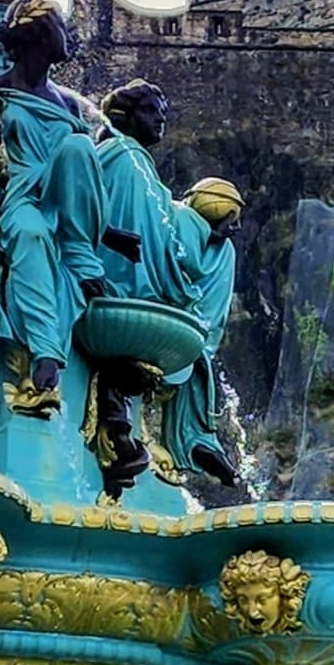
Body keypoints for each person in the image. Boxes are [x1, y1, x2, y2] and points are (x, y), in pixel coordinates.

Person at [0, 0, 104, 416]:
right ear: (36, 40)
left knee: (78, 145)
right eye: (59, 30)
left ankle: (78, 251)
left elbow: (89, 171)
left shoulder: (68, 105)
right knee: (29, 232)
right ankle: (45, 353)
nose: (67, 39)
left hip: (64, 196)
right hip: (16, 193)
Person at [92, 81, 241, 488]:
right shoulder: (125, 157)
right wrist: (204, 233)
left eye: (164, 113)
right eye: (153, 111)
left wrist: (208, 235)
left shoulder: (136, 163)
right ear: (125, 115)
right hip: (125, 278)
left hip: (138, 270)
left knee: (221, 252)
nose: (161, 120)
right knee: (208, 269)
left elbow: (159, 227)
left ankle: (195, 436)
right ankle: (189, 434)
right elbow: (151, 235)